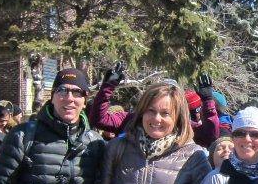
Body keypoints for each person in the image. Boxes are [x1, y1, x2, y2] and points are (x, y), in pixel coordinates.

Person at [89, 62, 221, 147]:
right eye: (151, 110)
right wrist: (107, 88)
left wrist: (208, 101)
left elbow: (210, 137)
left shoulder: (183, 128)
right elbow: (99, 119)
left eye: (166, 113)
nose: (157, 118)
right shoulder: (131, 121)